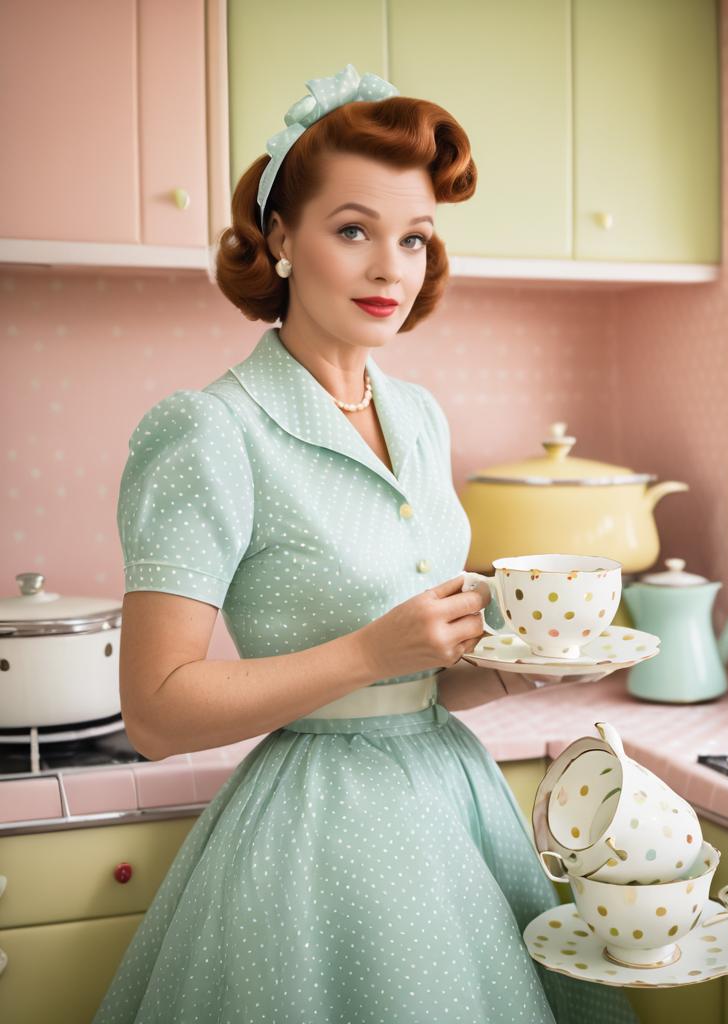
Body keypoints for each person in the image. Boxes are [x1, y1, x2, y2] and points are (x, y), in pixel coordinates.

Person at [91, 66, 639, 1024]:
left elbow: (421, 669)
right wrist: (369, 652)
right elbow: (156, 711)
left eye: (415, 238)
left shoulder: (418, 418)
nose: (393, 268)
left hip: (453, 799)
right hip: (316, 835)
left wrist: (515, 668)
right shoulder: (211, 432)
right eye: (354, 230)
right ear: (281, 240)